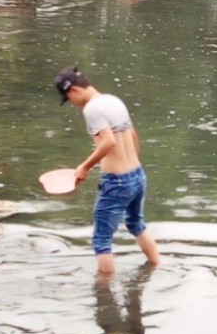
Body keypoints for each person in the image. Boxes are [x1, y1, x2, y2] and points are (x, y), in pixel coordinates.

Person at [52, 65, 160, 275]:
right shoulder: (113, 100)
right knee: (136, 223)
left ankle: (104, 293)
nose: (72, 104)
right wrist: (131, 170)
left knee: (101, 240)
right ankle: (157, 264)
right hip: (137, 175)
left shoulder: (91, 109)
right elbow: (134, 136)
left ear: (73, 90)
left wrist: (85, 166)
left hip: (117, 181)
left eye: (69, 99)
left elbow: (108, 142)